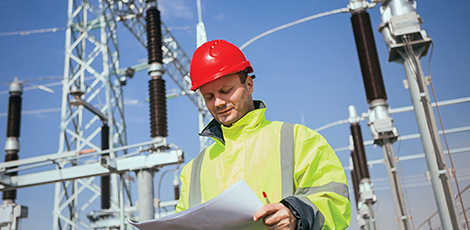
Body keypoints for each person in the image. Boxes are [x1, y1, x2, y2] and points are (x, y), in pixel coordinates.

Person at [176, 39, 350, 230]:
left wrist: (296, 215)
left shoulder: (298, 140)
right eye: (208, 97)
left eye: (226, 91)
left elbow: (335, 202)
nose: (218, 103)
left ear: (249, 85)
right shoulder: (192, 171)